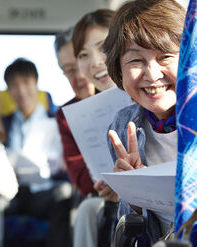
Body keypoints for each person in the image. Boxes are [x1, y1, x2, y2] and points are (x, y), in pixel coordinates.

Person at [103, 0, 185, 243]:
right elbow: (131, 229)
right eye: (135, 61)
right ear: (118, 69)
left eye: (165, 57)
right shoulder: (122, 126)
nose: (152, 74)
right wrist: (135, 196)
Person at [2, 58, 73, 247]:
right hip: (12, 192)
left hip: (43, 191)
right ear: (9, 91)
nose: (22, 91)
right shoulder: (3, 124)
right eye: (15, 86)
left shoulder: (56, 121)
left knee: (64, 193)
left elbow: (65, 164)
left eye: (26, 83)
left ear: (36, 84)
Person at [70, 9, 118, 247]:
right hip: (112, 198)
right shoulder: (82, 116)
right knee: (90, 208)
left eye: (103, 47)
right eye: (83, 54)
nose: (96, 62)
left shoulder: (151, 94)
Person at [54, 27, 96, 196]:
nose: (79, 75)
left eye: (82, 61)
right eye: (70, 70)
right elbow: (80, 178)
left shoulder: (129, 95)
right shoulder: (65, 116)